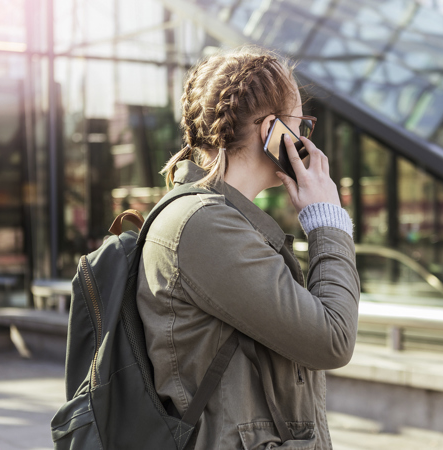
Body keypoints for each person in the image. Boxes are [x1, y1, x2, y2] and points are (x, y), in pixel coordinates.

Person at [136, 46, 360, 449]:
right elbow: (334, 339)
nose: (303, 139)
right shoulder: (205, 225)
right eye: (301, 125)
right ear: (272, 130)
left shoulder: (217, 219)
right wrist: (327, 221)